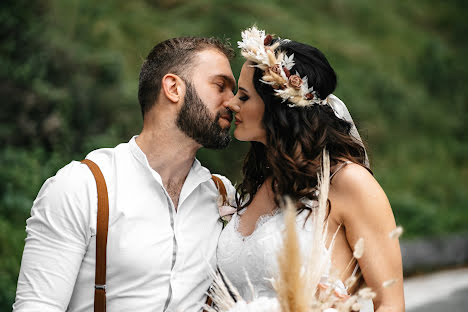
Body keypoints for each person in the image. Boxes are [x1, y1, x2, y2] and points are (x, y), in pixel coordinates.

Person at [13, 37, 237, 312]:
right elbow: (38, 306)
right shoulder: (82, 186)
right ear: (173, 88)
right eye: (220, 86)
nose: (234, 102)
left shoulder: (222, 196)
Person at [217, 27, 404, 311]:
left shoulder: (349, 182)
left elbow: (391, 303)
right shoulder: (261, 182)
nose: (231, 104)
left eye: (243, 96)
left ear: (277, 107)